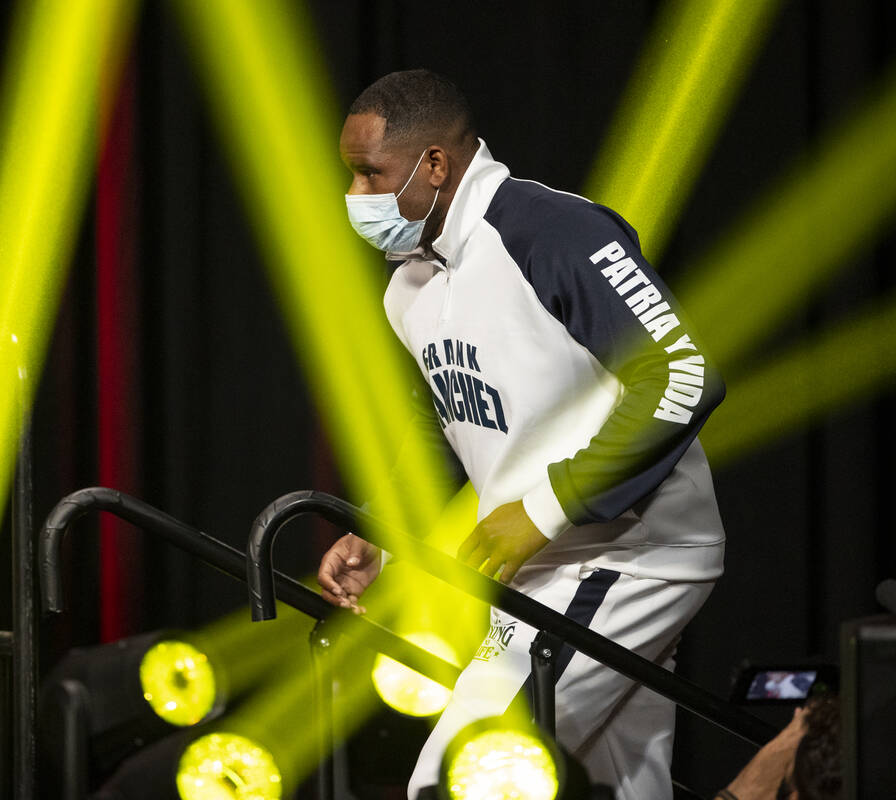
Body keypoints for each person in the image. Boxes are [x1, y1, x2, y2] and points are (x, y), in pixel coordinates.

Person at [317, 69, 727, 800]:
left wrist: (543, 509)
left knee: (458, 779)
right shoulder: (408, 288)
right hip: (545, 564)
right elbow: (448, 421)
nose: (356, 198)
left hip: (628, 553)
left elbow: (684, 375)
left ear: (434, 164)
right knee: (620, 787)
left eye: (368, 174)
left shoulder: (553, 230)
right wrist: (382, 526)